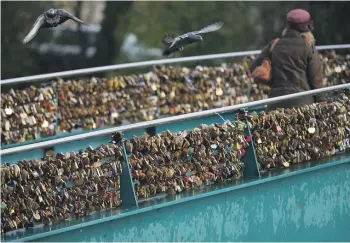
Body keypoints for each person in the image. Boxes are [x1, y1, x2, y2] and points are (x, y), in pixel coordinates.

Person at [251, 9, 324, 111]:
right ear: (307, 28)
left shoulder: (274, 44)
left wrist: (271, 80)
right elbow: (316, 79)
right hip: (302, 105)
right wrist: (321, 101)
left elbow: (254, 66)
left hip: (275, 103)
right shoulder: (308, 46)